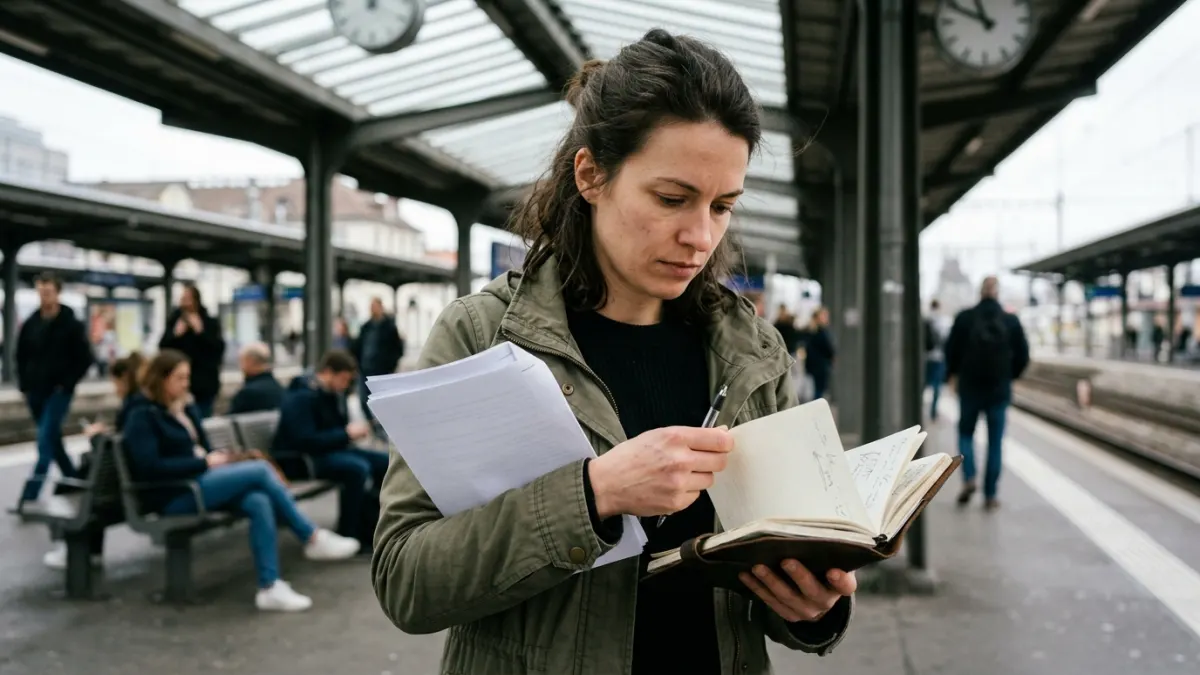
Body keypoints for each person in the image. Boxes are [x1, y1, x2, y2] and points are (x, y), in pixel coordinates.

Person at [372, 30, 855, 675]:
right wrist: (594, 493)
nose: (700, 236)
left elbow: (771, 584)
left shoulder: (751, 350)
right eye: (672, 198)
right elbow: (408, 579)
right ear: (591, 174)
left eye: (723, 206)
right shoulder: (483, 335)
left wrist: (810, 608)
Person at [123, 350, 361, 611]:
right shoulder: (142, 415)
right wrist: (204, 462)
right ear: (161, 379)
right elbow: (149, 467)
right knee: (259, 470)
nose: (186, 384)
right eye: (180, 378)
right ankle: (311, 537)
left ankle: (270, 587)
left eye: (186, 377)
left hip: (200, 483)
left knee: (258, 501)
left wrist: (212, 458)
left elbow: (198, 447)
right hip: (175, 494)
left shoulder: (183, 409)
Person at [43, 352, 149, 570]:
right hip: (129, 488)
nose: (114, 388)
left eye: (115, 382)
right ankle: (93, 552)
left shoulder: (134, 407)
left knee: (70, 486)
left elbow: (120, 449)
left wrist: (96, 437)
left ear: (124, 379)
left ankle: (69, 550)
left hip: (124, 489)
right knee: (91, 481)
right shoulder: (144, 404)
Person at [273, 349, 385, 552]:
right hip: (304, 460)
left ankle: (372, 527)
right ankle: (350, 531)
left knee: (384, 462)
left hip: (329, 451)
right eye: (342, 379)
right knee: (356, 469)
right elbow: (305, 440)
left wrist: (347, 434)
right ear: (327, 372)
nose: (344, 385)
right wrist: (346, 434)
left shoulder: (331, 395)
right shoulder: (301, 396)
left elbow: (335, 432)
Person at [944, 276, 1030, 511]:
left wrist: (952, 374)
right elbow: (1023, 355)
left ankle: (969, 476)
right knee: (995, 442)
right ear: (997, 293)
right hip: (998, 389)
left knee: (965, 434)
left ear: (980, 292)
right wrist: (1010, 375)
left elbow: (950, 350)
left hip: (970, 387)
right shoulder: (1010, 320)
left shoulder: (965, 318)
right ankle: (990, 495)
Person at [15, 272, 94, 508]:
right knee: (52, 440)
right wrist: (24, 385)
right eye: (40, 292)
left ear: (57, 292)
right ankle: (73, 478)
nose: (43, 296)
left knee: (44, 440)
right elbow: (20, 355)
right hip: (35, 391)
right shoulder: (31, 323)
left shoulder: (71, 324)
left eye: (47, 292)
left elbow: (85, 357)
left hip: (58, 391)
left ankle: (30, 495)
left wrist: (67, 383)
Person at [158, 283, 225, 418]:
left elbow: (217, 349)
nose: (185, 303)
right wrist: (175, 334)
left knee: (202, 417)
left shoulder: (209, 322)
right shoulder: (174, 322)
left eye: (188, 299)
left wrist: (200, 331)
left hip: (203, 383)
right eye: (183, 299)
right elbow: (163, 348)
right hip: (178, 382)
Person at [351, 297, 404, 427]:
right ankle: (373, 426)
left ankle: (382, 426)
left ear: (381, 307)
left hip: (382, 370)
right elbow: (358, 346)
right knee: (364, 400)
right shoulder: (366, 327)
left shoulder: (389, 327)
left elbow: (398, 349)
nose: (372, 309)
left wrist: (391, 365)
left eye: (374, 306)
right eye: (371, 306)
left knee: (381, 400)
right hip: (365, 369)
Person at [228, 342, 284, 415]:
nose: (241, 367)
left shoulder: (247, 394)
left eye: (241, 361)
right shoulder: (279, 388)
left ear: (249, 361)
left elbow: (230, 419)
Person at [923, 299, 952, 421]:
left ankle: (919, 407)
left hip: (926, 358)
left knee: (923, 384)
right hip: (939, 358)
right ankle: (933, 412)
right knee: (936, 387)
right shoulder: (944, 322)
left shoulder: (926, 319)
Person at [803, 306, 835, 400]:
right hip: (820, 366)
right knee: (819, 391)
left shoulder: (811, 331)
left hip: (814, 366)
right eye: (824, 316)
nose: (826, 318)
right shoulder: (820, 332)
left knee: (817, 390)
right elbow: (827, 348)